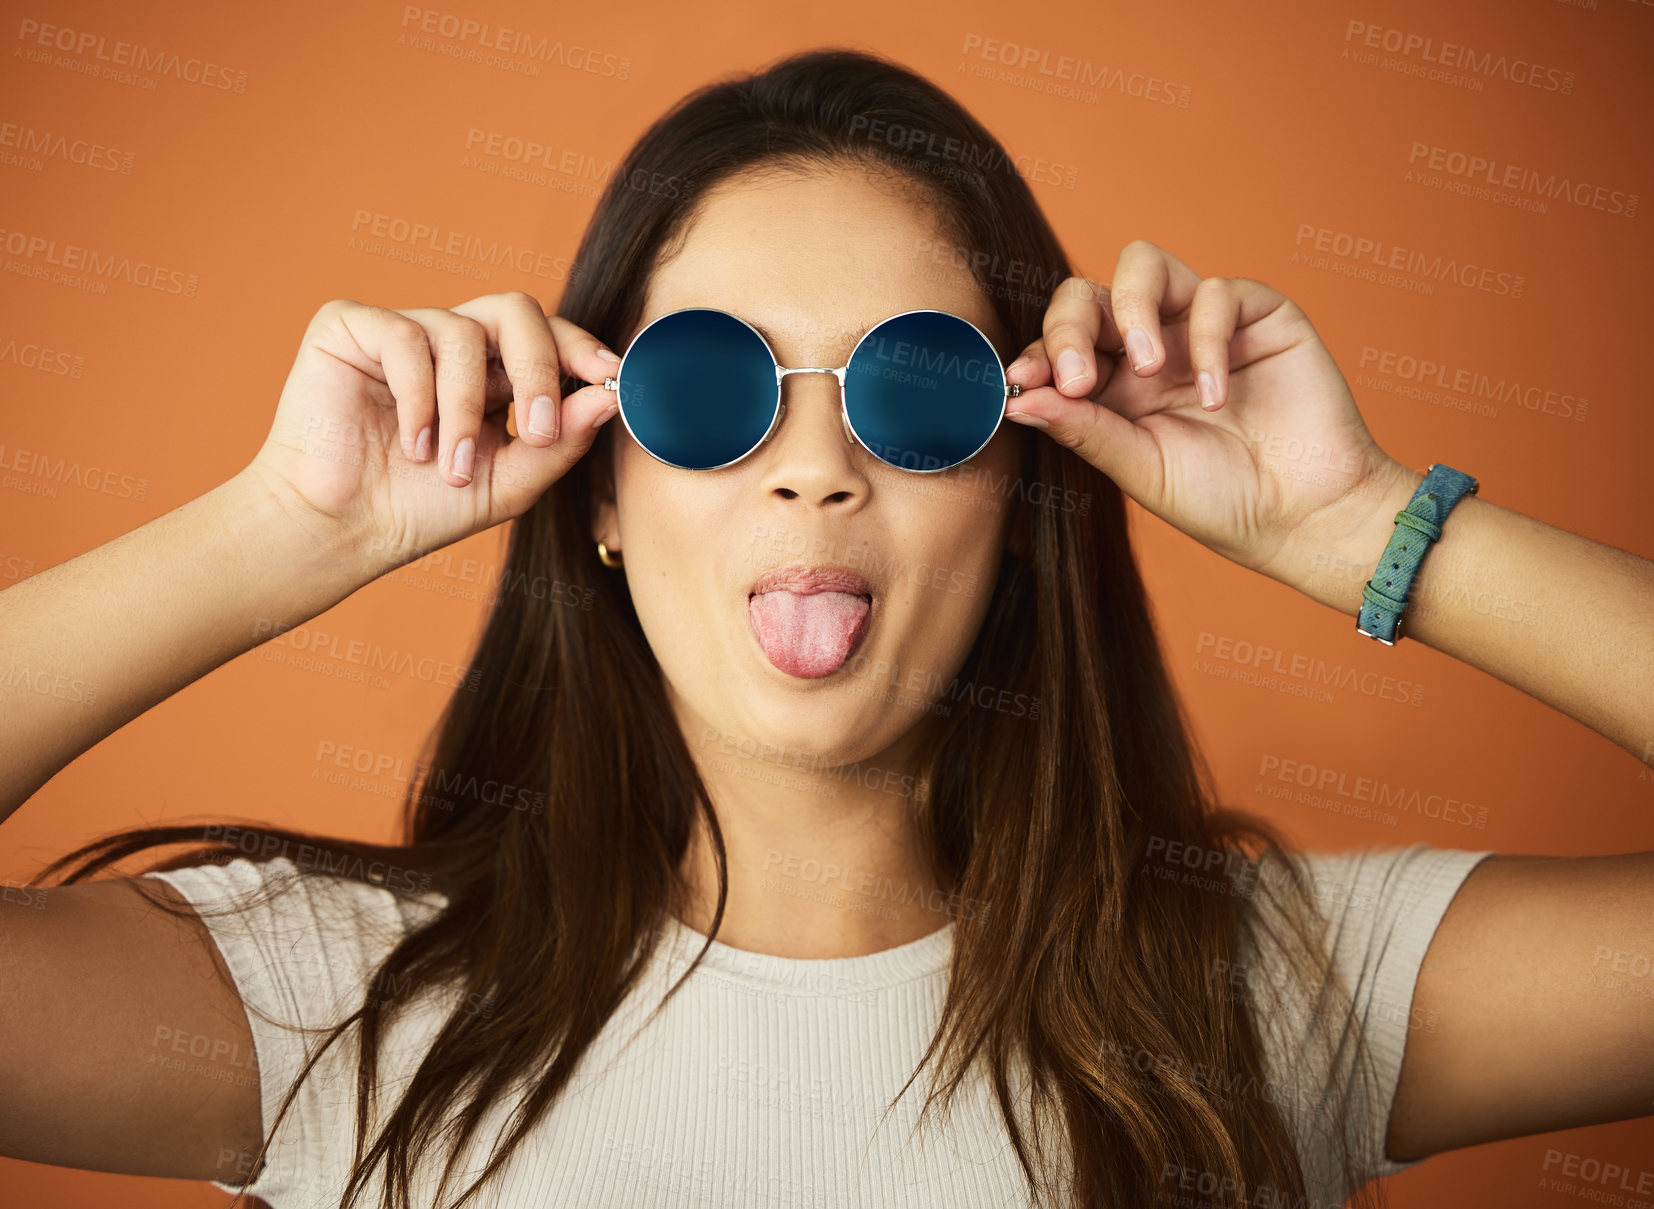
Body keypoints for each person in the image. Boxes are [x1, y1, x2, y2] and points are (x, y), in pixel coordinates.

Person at [2, 45, 1649, 1209]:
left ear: (1021, 482)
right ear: (591, 483)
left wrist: (1356, 520)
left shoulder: (1269, 995)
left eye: (914, 390)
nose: (811, 466)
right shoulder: (336, 1009)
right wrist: (284, 529)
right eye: (708, 387)